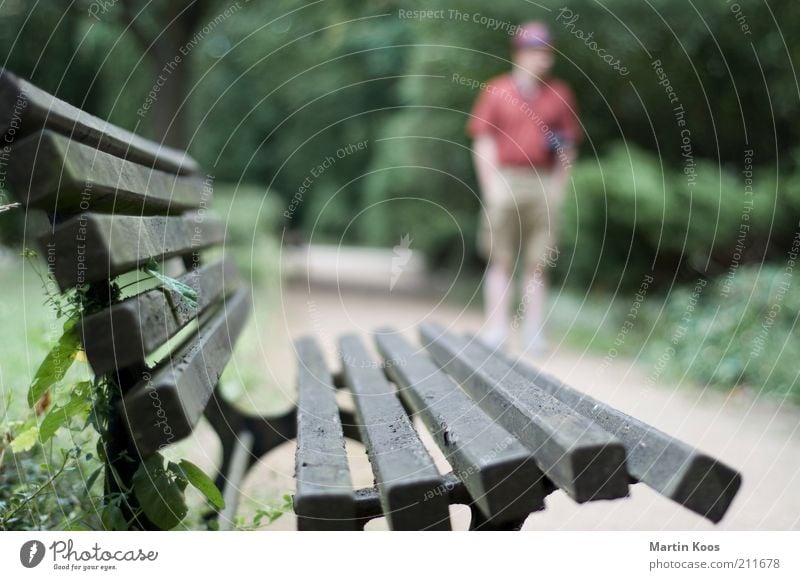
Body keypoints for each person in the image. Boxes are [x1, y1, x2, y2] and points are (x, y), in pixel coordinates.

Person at [468, 21, 581, 353]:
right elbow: (483, 139)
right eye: (535, 51)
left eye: (547, 52)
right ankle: (497, 329)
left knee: (538, 261)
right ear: (518, 53)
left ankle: (533, 332)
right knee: (499, 258)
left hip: (543, 182)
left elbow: (567, 146)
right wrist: (489, 184)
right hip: (505, 178)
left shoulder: (560, 94)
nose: (543, 59)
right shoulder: (496, 90)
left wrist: (559, 187)